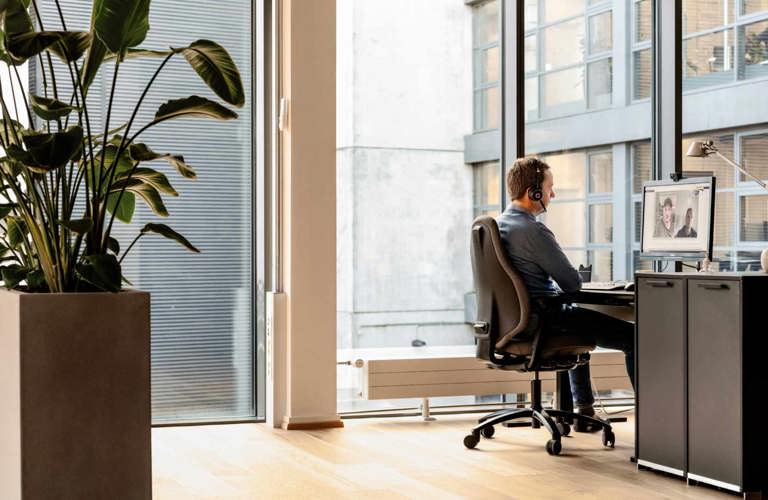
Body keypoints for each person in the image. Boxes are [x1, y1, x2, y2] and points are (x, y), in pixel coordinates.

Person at [496, 157, 635, 429]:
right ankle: (659, 420)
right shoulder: (533, 230)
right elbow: (572, 283)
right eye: (549, 188)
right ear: (533, 192)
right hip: (544, 320)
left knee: (579, 325)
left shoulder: (498, 225)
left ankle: (584, 411)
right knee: (635, 338)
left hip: (514, 324)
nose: (553, 194)